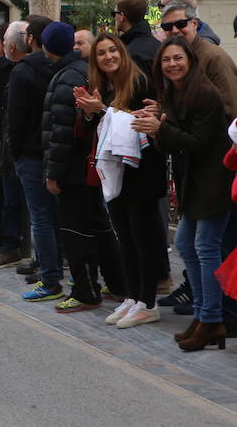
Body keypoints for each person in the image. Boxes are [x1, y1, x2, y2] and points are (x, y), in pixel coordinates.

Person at [133, 36, 233, 351]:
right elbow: (173, 144)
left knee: (205, 247)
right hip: (195, 181)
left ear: (189, 60)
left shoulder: (204, 93)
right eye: (166, 60)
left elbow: (199, 143)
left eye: (178, 58)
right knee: (185, 244)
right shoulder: (173, 93)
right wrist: (157, 129)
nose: (172, 64)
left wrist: (160, 129)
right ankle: (204, 315)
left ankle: (212, 319)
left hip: (215, 180)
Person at [75, 32, 165, 325]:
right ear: (95, 60)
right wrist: (91, 113)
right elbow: (96, 132)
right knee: (124, 237)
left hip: (142, 172)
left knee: (143, 237)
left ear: (122, 52)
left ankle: (148, 302)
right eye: (101, 53)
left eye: (113, 50)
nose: (108, 56)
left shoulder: (139, 81)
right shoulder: (102, 86)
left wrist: (100, 110)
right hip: (115, 172)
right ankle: (134, 295)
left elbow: (132, 124)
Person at [40, 22, 126, 314]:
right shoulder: (81, 73)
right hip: (90, 166)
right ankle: (117, 283)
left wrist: (53, 173)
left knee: (77, 230)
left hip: (76, 168)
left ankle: (86, 290)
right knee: (99, 226)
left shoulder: (68, 78)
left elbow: (62, 131)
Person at [8, 15, 65, 301]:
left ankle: (50, 277)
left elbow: (15, 119)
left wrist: (15, 151)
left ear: (31, 39)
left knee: (40, 217)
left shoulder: (22, 71)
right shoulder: (61, 69)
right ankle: (54, 267)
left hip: (30, 154)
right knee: (53, 215)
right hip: (54, 151)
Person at [0, 22, 29, 269]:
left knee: (28, 199)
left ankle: (25, 245)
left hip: (28, 145)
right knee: (5, 196)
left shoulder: (33, 68)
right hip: (3, 146)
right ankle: (7, 242)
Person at [161, 1, 237, 118]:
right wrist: (161, 110)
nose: (175, 30)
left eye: (181, 24)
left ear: (195, 24)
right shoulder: (169, 59)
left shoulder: (214, 58)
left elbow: (230, 110)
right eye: (168, 26)